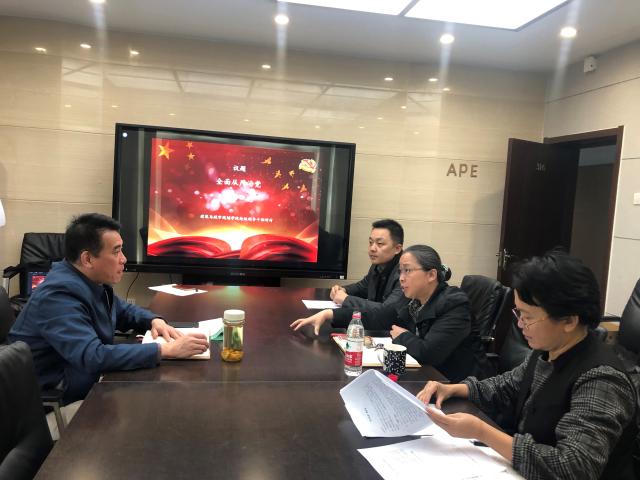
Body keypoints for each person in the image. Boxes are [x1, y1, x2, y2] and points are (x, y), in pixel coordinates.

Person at [417, 251, 638, 480]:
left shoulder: (601, 379)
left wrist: (481, 432)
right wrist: (454, 389)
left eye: (528, 316)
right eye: (519, 313)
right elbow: (508, 385)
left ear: (569, 321)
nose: (520, 324)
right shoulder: (548, 350)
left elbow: (573, 467)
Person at [9, 213, 209, 405]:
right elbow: (92, 356)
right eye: (116, 251)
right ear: (88, 259)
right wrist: (165, 350)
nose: (123, 259)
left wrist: (153, 320)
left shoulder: (88, 280)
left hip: (84, 374)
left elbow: (123, 310)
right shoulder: (58, 296)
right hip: (57, 391)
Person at [292, 245, 492, 382]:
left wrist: (403, 336)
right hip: (428, 380)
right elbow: (380, 316)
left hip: (460, 388)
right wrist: (330, 314)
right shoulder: (414, 299)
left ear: (431, 275)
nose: (401, 278)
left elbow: (430, 354)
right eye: (400, 272)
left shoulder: (454, 304)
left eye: (407, 271)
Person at [329, 219, 406, 314]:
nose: (372, 248)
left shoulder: (405, 273)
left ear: (397, 249)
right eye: (370, 242)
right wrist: (343, 290)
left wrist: (346, 299)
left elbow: (387, 311)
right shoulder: (378, 265)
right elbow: (363, 287)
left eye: (380, 244)